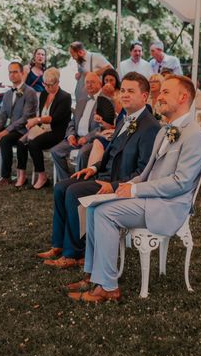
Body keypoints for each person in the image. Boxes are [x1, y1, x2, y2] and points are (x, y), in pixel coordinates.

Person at [66, 75, 201, 302]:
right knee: (94, 208)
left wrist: (134, 191)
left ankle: (109, 287)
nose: (158, 96)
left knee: (105, 213)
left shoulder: (195, 135)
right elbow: (147, 173)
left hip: (168, 206)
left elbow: (181, 182)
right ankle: (93, 276)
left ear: (183, 97)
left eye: (165, 92)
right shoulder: (164, 130)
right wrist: (127, 185)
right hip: (150, 198)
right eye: (159, 92)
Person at [39, 72, 160, 269]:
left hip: (119, 184)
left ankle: (75, 253)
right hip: (103, 174)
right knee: (61, 187)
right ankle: (59, 244)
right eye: (124, 91)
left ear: (144, 97)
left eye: (131, 91)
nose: (125, 95)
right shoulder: (125, 119)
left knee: (73, 192)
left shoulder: (150, 126)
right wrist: (93, 168)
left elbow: (143, 171)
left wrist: (113, 185)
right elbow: (110, 151)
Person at [15, 68, 72, 189]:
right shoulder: (44, 93)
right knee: (21, 142)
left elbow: (55, 118)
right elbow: (41, 113)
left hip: (57, 131)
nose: (47, 87)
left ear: (57, 83)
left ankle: (42, 176)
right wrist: (34, 123)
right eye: (45, 84)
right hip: (42, 129)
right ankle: (22, 174)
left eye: (50, 85)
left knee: (34, 144)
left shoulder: (65, 97)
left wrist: (37, 120)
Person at [50, 72, 104, 181]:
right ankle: (66, 181)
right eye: (87, 82)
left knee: (83, 153)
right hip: (76, 138)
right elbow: (72, 122)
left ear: (100, 84)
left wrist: (87, 138)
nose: (89, 85)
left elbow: (102, 127)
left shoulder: (104, 102)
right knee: (55, 151)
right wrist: (70, 135)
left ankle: (79, 184)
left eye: (92, 82)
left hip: (92, 140)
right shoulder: (81, 101)